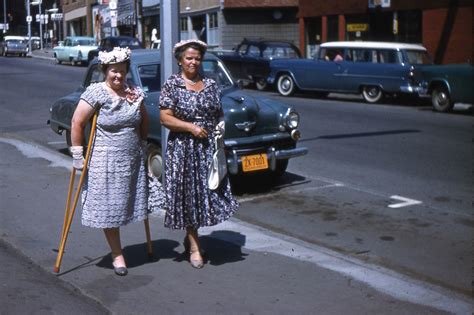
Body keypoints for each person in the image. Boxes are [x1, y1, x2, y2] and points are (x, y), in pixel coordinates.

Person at [158, 39, 239, 269]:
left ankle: (191, 236)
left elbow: (219, 113)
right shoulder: (172, 84)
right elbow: (165, 118)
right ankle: (195, 246)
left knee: (206, 195)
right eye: (189, 58)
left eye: (197, 58)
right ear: (180, 61)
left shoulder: (211, 85)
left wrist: (220, 128)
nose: (193, 62)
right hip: (183, 149)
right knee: (189, 196)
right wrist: (191, 127)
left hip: (207, 149)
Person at [70, 47, 149, 276]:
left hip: (131, 160)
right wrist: (78, 156)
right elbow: (77, 123)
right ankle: (117, 254)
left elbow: (143, 119)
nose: (119, 76)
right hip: (104, 162)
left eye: (123, 71)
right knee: (108, 208)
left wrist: (143, 144)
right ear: (106, 71)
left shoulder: (133, 92)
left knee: (128, 204)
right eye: (114, 71)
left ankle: (120, 251)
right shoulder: (96, 92)